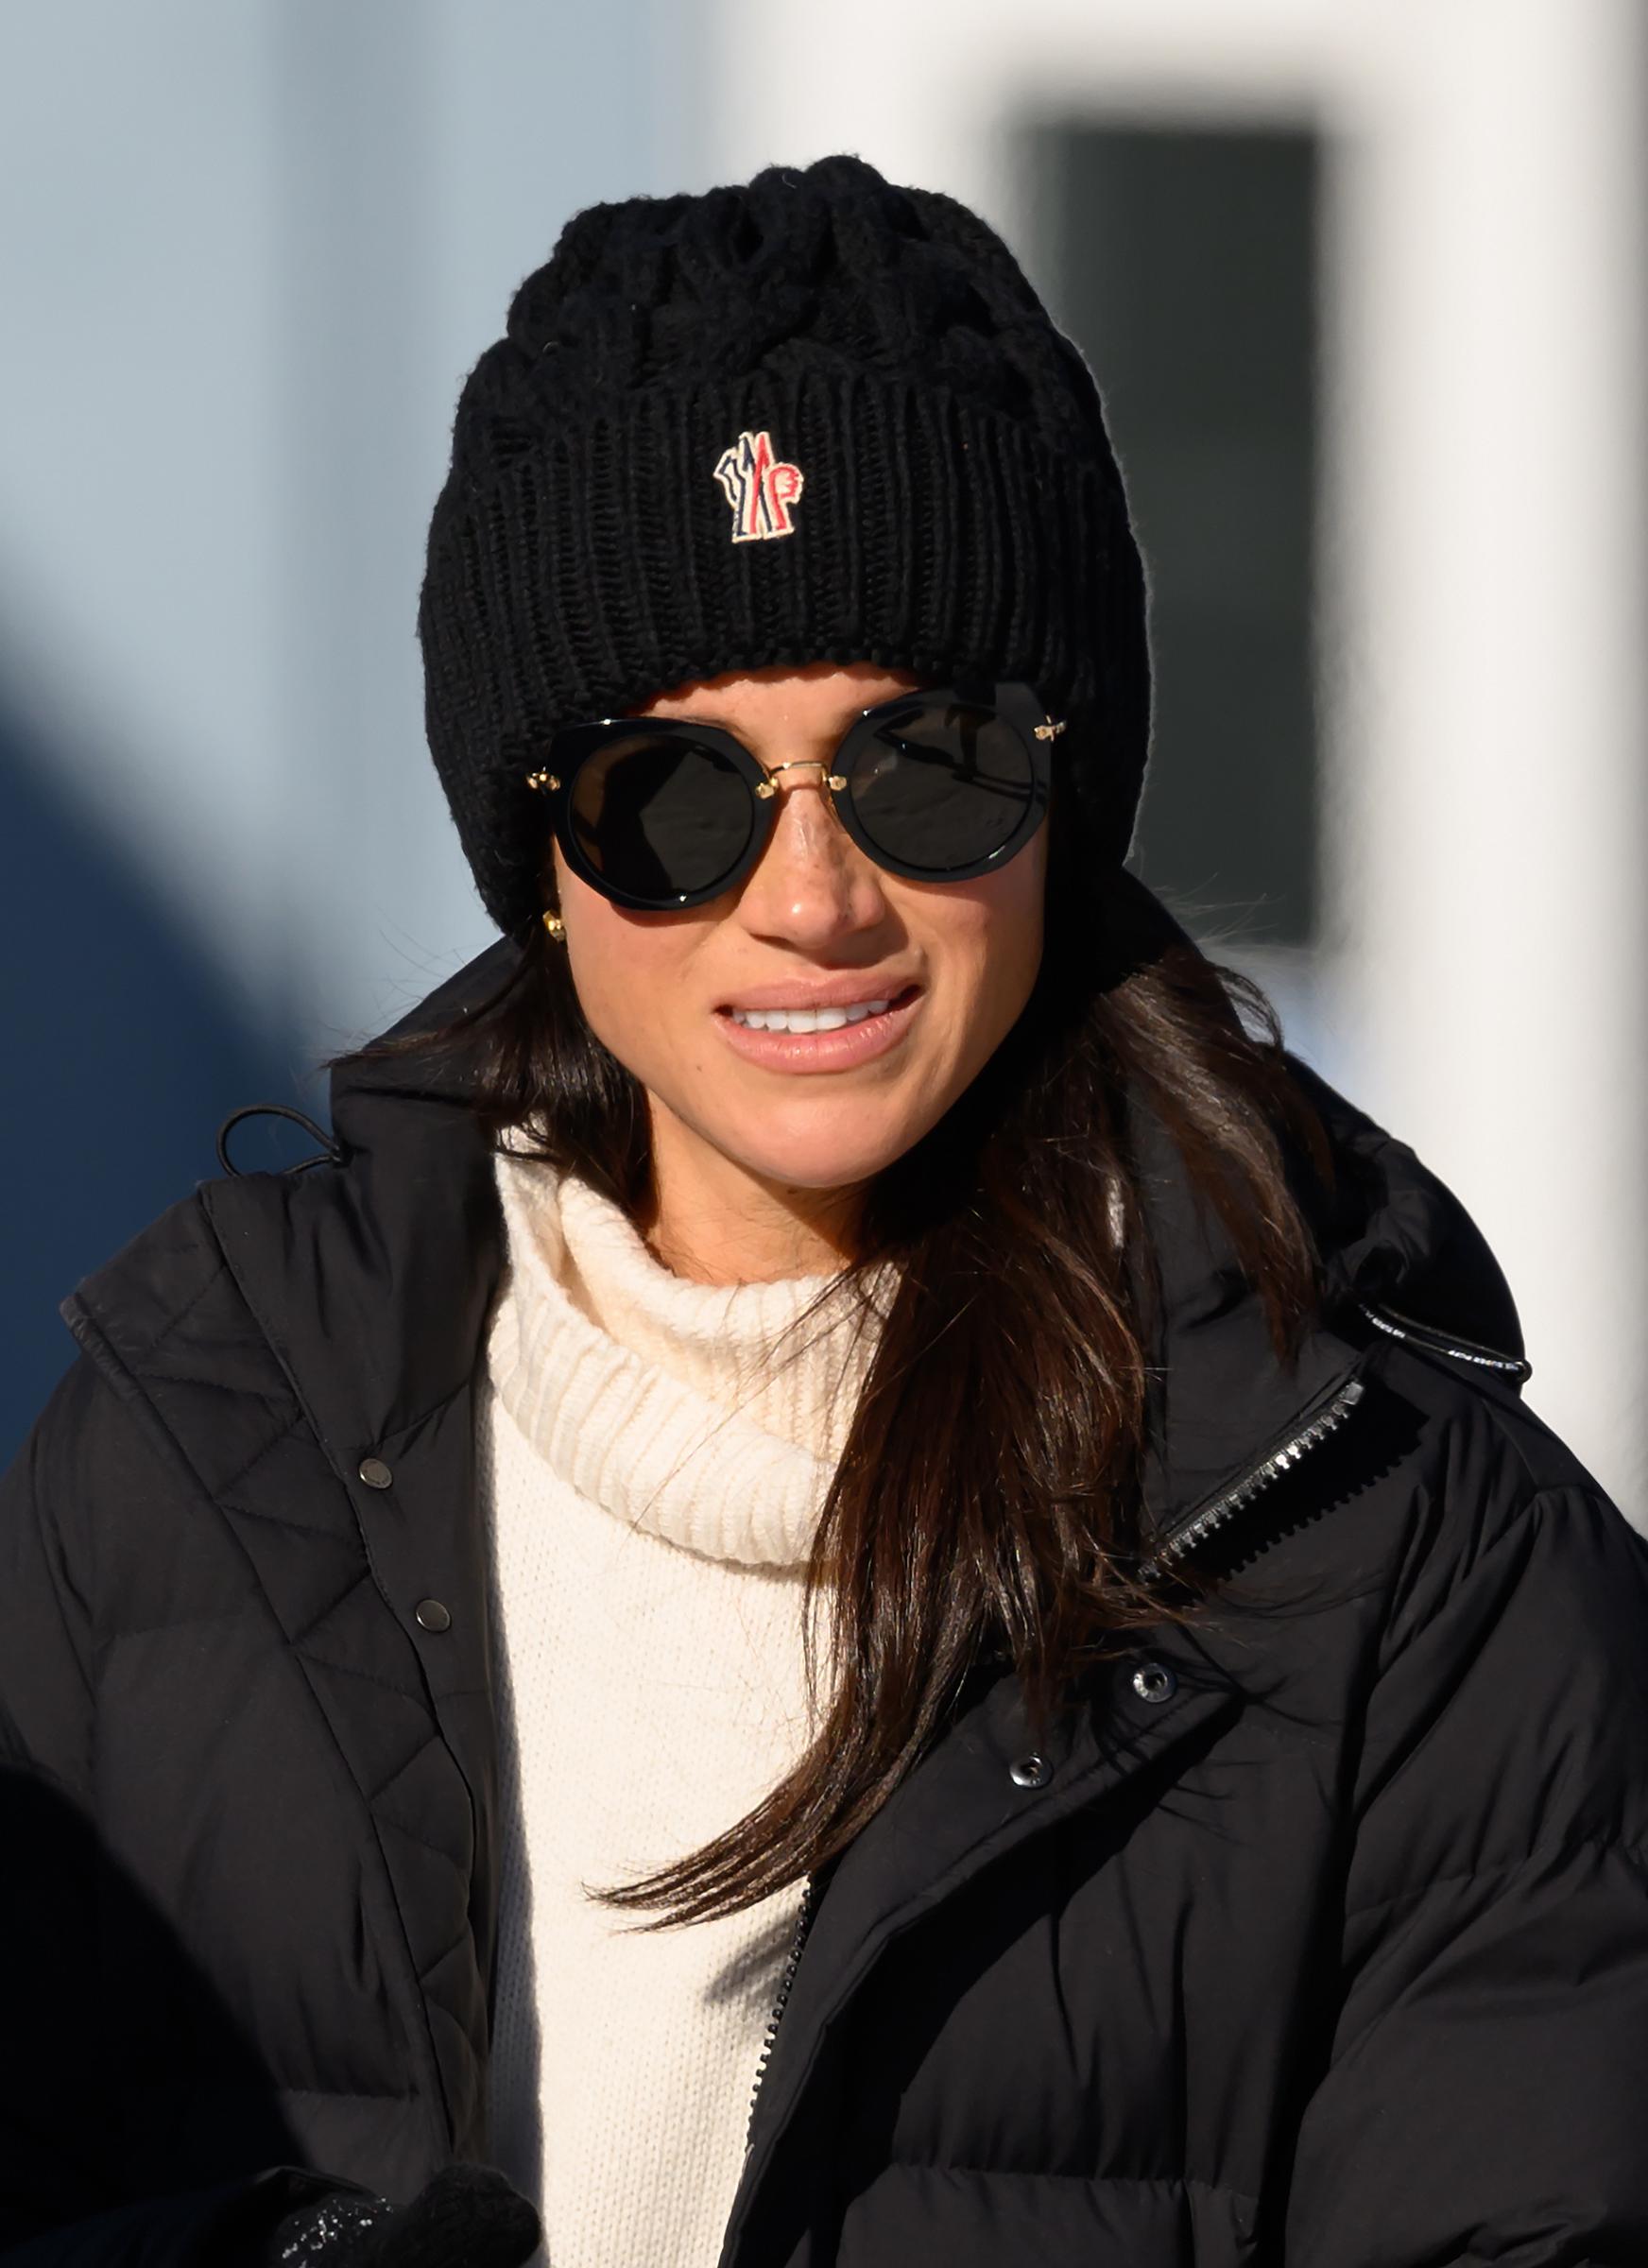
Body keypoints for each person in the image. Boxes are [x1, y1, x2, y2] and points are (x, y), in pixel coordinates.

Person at [4, 152, 1646, 2268]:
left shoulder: (1409, 1558)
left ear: (1064, 796)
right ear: (538, 852)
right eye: (666, 797)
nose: (808, 899)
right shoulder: (187, 1465)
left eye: (925, 765)